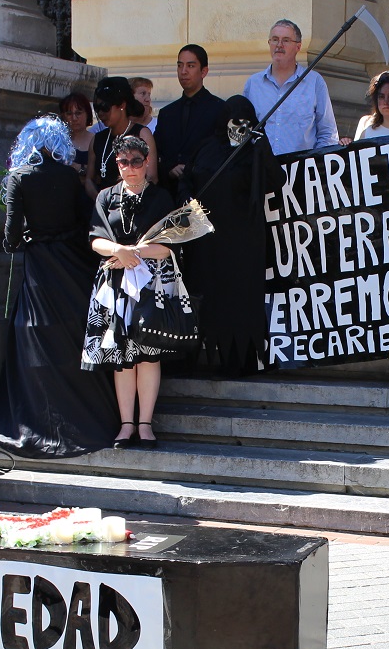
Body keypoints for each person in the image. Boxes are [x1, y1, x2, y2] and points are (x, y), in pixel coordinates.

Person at [0, 116, 120, 457]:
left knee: (34, 336)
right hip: (71, 264)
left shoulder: (19, 177)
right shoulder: (68, 176)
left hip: (40, 267)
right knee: (72, 335)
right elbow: (83, 221)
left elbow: (11, 235)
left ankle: (41, 422)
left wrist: (21, 241)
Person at [85, 135, 183, 447]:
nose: (130, 167)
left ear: (147, 162)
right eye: (123, 162)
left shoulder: (161, 197)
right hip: (115, 282)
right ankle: (126, 424)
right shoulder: (106, 197)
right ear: (116, 164)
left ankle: (145, 424)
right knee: (122, 355)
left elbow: (170, 244)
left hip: (151, 282)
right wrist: (118, 250)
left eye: (136, 161)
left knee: (149, 354)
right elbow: (95, 239)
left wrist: (135, 253)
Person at [181, 95, 281, 376]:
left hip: (243, 243)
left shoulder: (254, 150)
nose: (242, 128)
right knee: (210, 297)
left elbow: (276, 181)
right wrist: (186, 201)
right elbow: (187, 179)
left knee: (240, 300)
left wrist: (263, 147)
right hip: (207, 242)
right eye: (237, 122)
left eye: (248, 123)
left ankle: (241, 361)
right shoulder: (206, 149)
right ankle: (205, 357)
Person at [242, 19, 340, 155]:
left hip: (301, 166)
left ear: (298, 47)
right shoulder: (253, 84)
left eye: (286, 40)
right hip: (261, 166)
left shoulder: (314, 82)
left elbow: (328, 133)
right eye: (275, 39)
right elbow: (244, 131)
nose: (279, 45)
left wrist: (316, 162)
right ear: (269, 43)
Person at [153, 44, 225, 185]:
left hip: (205, 190)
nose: (183, 71)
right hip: (170, 191)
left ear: (204, 71)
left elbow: (223, 154)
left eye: (190, 66)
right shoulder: (167, 113)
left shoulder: (220, 109)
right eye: (180, 66)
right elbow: (156, 153)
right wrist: (169, 168)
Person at [88, 76, 158, 193]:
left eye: (105, 107)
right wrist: (100, 200)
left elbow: (151, 177)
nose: (100, 113)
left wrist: (123, 200)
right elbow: (89, 179)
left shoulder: (142, 134)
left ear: (122, 105)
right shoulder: (97, 139)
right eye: (97, 108)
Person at [57, 92, 96, 197]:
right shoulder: (58, 142)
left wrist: (78, 168)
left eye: (78, 113)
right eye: (69, 113)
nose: (74, 118)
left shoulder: (97, 140)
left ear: (87, 114)